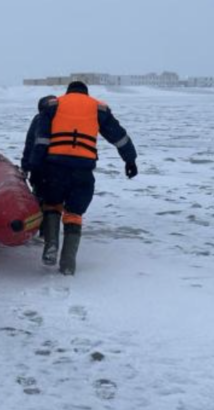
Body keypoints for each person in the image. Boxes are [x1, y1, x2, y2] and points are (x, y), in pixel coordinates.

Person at [30, 81, 138, 275]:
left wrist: (35, 167)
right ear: (85, 93)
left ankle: (51, 245)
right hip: (83, 171)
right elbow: (119, 136)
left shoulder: (53, 105)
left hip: (55, 168)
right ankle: (68, 263)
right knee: (74, 213)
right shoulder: (98, 108)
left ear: (68, 92)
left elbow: (41, 140)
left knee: (52, 205)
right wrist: (130, 160)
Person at [21, 95, 57, 232]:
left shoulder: (39, 119)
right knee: (54, 202)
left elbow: (30, 144)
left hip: (40, 167)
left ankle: (36, 228)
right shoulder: (65, 119)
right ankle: (49, 232)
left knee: (39, 198)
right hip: (60, 167)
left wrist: (25, 166)